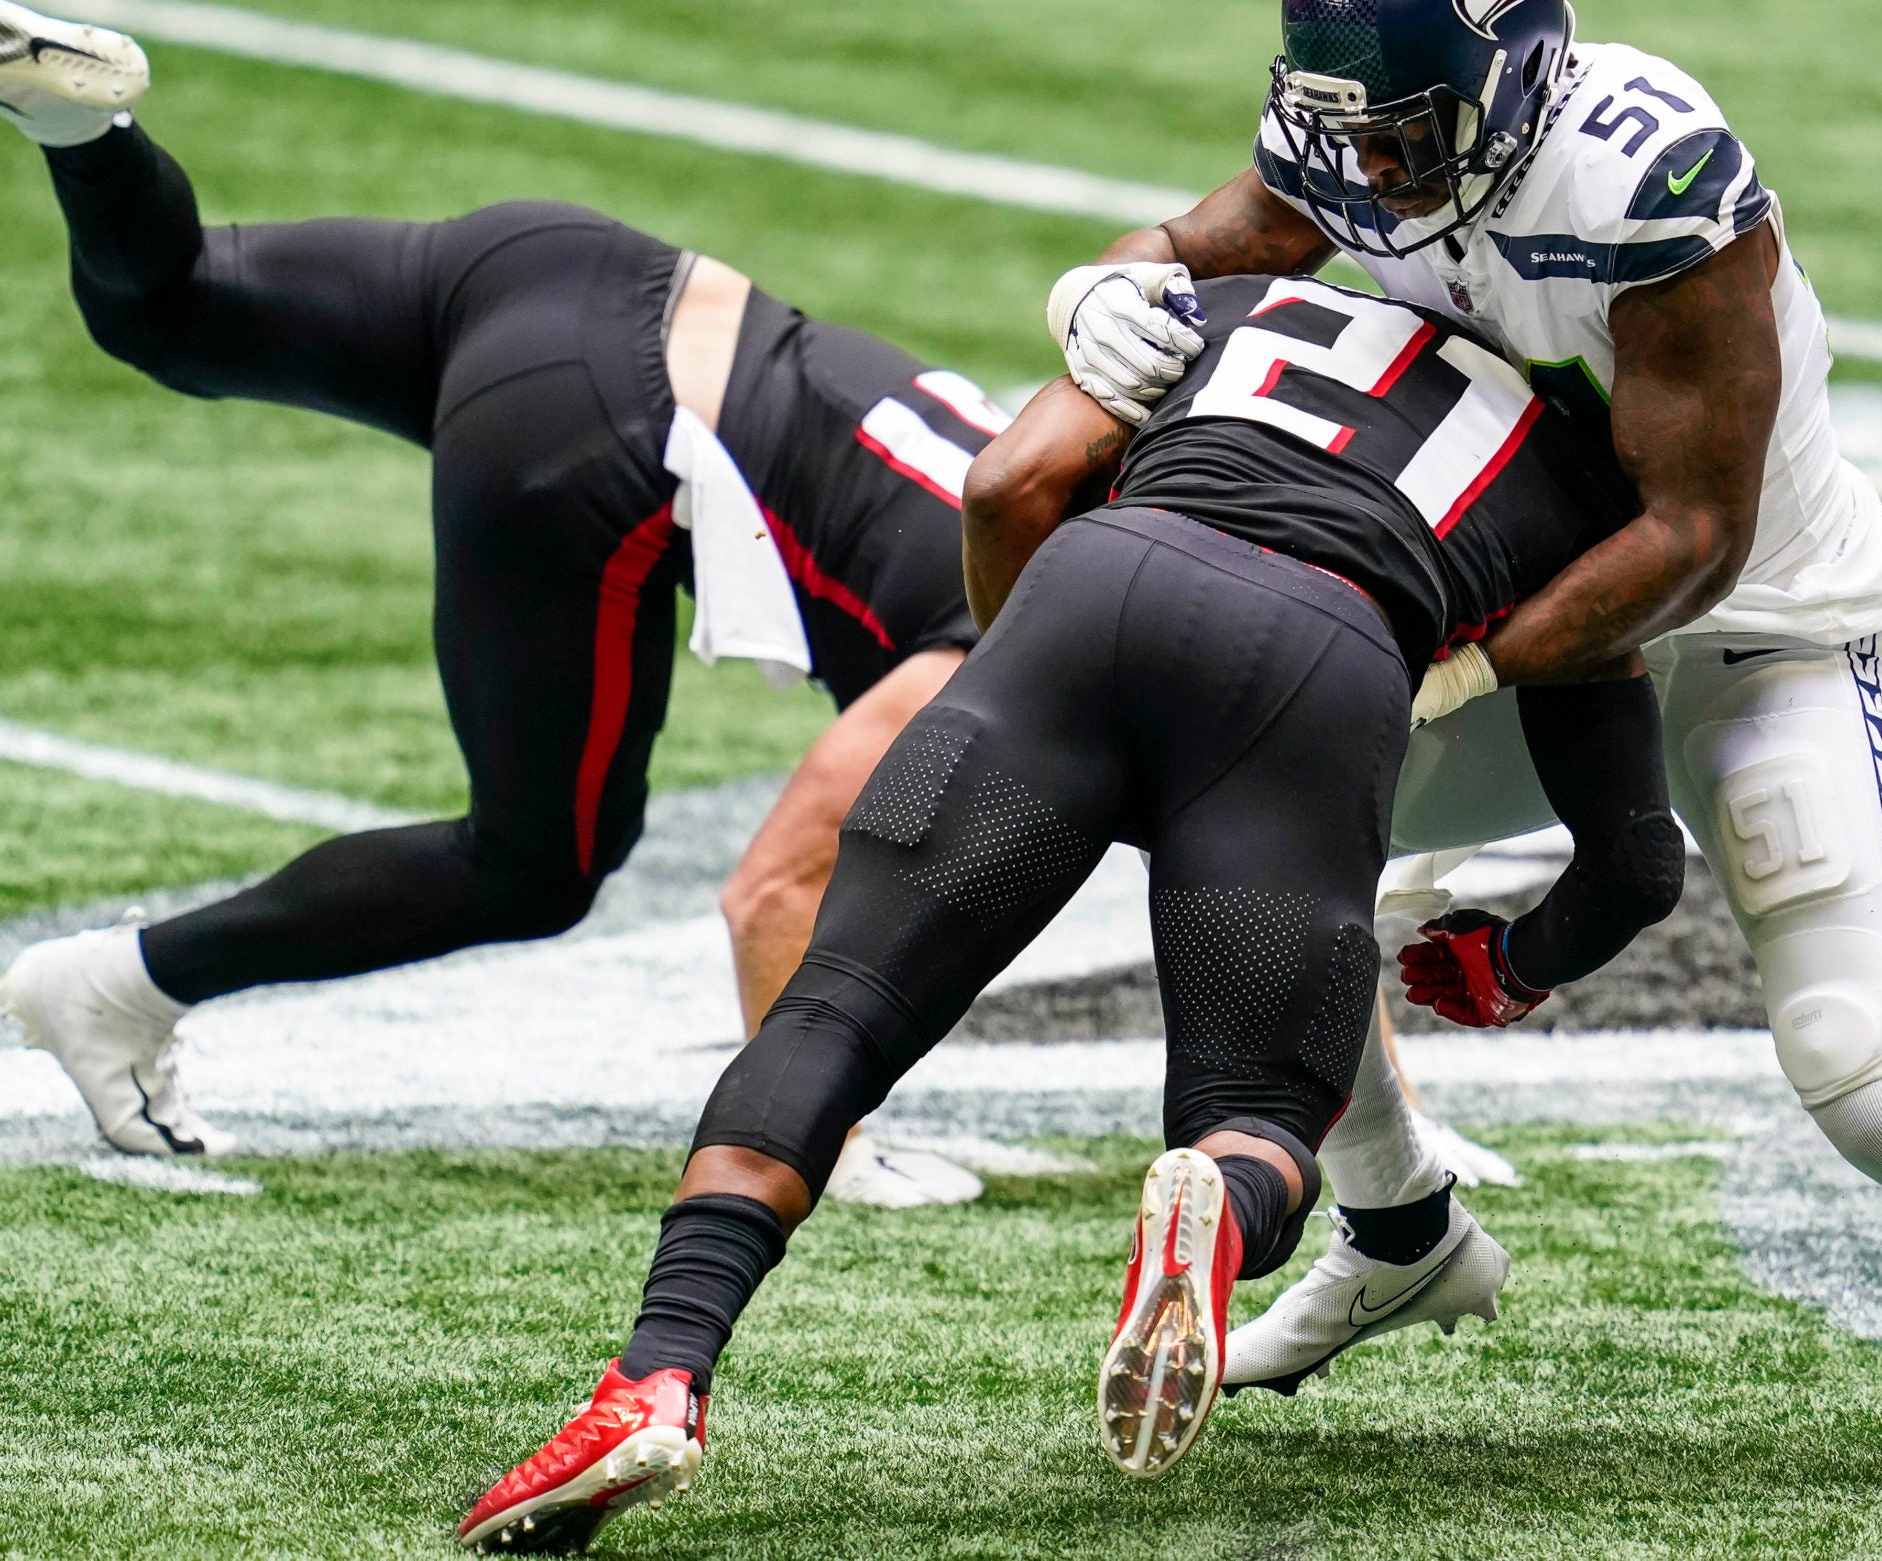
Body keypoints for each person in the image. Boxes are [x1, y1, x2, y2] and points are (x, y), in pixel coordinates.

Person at [1046, 0, 1882, 1475]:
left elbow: (1693, 536)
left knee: (1861, 1066)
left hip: (1762, 630)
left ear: (1515, 74)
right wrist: (1104, 289)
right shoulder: (1366, 139)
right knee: (1251, 846)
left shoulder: (1652, 175)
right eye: (1354, 134)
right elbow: (1197, 241)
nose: (1376, 171)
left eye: (1410, 131)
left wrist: (1448, 670)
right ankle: (1399, 1230)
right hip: (1535, 627)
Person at [458, 270, 1687, 1549]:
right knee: (1258, 1116)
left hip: (1085, 597)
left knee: (831, 1014)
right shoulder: (1582, 463)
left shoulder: (1247, 300)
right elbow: (1636, 861)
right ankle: (1212, 1210)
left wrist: (1032, 697)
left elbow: (1005, 482)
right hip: (1319, 650)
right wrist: (1511, 958)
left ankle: (655, 1372)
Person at [0, 0, 990, 1203]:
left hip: (571, 266)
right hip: (600, 428)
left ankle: (82, 130)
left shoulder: (1129, 497)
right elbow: (775, 890)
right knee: (537, 862)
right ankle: (119, 983)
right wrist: (822, 1140)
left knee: (170, 307)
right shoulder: (1023, 636)